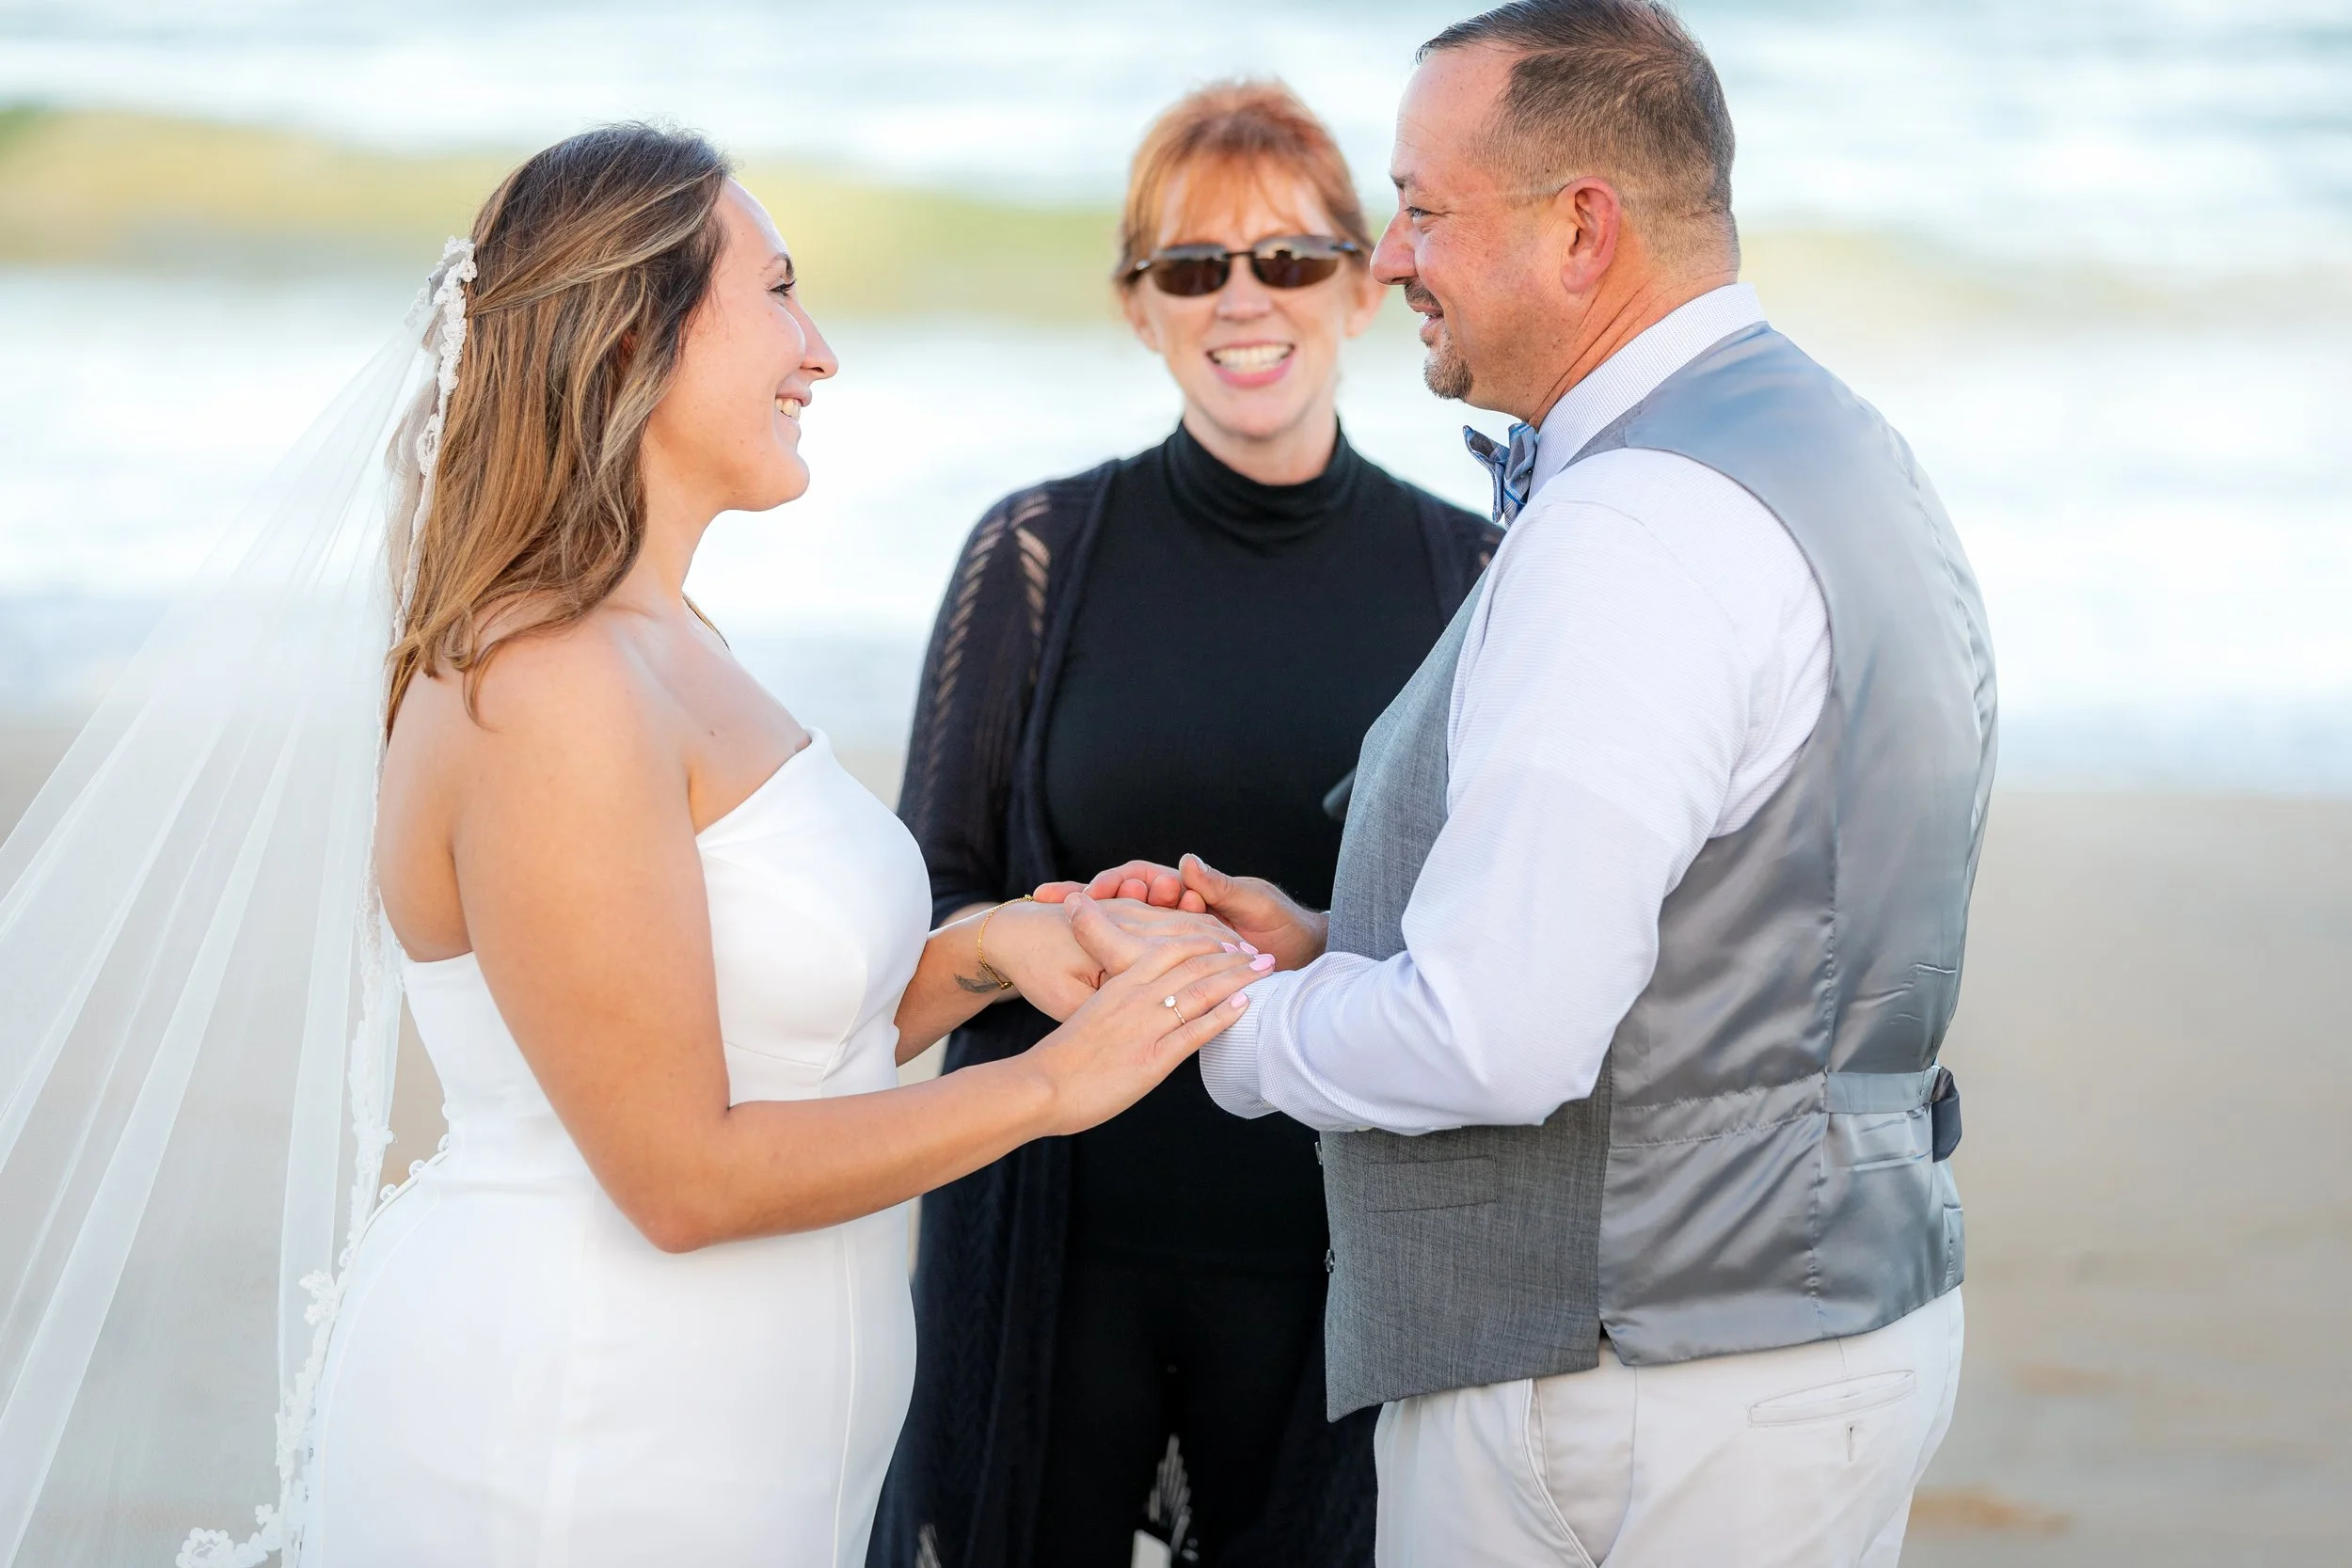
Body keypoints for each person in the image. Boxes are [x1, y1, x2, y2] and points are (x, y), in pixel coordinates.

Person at [0, 125, 1263, 1568]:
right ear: (634, 338)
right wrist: (1050, 1089)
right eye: (779, 291)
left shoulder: (669, 642)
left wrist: (985, 957)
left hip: (737, 1447)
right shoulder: (544, 685)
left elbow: (758, 1026)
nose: (821, 349)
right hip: (574, 1441)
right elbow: (679, 1172)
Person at [1054, 4, 1997, 1565]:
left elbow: (1502, 1035)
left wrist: (1220, 1017)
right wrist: (1330, 940)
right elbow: (1745, 908)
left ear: (1581, 229)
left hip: (1636, 1388)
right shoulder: (1842, 451)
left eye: (1423, 208)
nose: (1397, 255)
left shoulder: (1630, 530)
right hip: (1822, 1331)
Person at [875, 83, 1498, 1568]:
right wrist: (1040, 941)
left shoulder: (1474, 575)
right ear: (1138, 308)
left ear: (1364, 283)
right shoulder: (1034, 557)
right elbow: (925, 919)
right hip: (1050, 1239)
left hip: (1334, 1257)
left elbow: (1497, 947)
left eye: (1287, 259)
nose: (1242, 299)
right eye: (1191, 266)